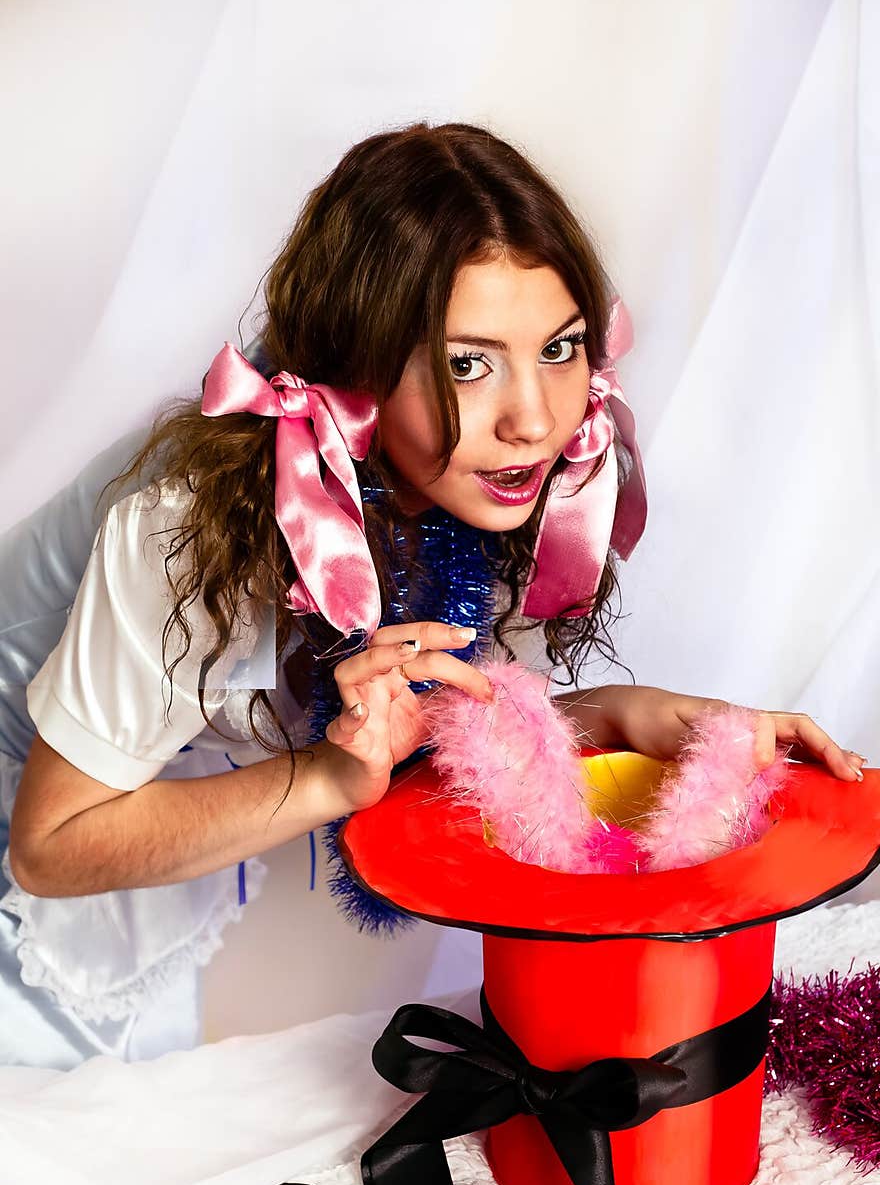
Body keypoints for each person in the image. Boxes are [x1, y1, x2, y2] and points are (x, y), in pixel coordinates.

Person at [1, 121, 864, 1070]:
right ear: (362, 368)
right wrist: (330, 780)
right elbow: (49, 845)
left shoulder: (487, 475)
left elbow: (443, 716)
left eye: (561, 347)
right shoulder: (186, 526)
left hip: (151, 795)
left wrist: (635, 715)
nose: (535, 418)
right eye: (468, 362)